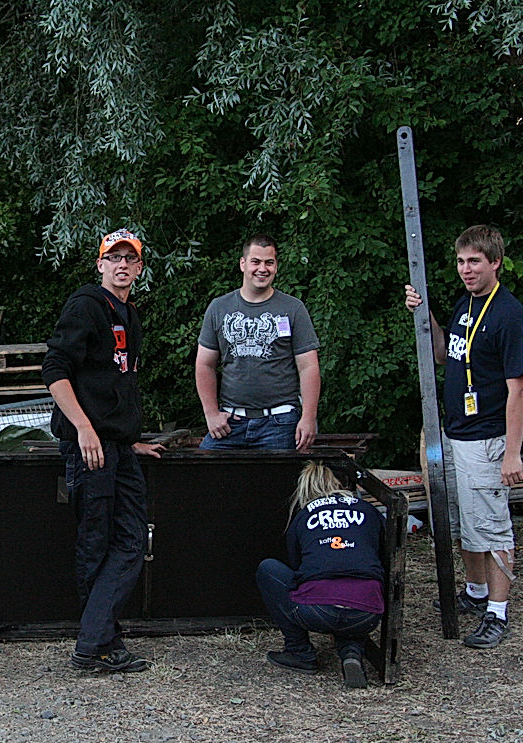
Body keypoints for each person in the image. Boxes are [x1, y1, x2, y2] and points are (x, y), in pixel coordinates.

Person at [41, 228, 165, 673]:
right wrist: (84, 429)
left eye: (130, 259)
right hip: (89, 446)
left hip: (118, 447)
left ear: (139, 268)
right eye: (113, 258)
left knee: (132, 538)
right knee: (97, 542)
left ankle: (99, 637)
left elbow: (116, 382)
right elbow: (55, 370)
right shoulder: (86, 305)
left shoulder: (128, 312)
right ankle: (97, 645)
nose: (122, 266)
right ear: (100, 265)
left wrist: (129, 437)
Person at [405, 224, 523, 649]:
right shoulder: (467, 305)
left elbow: (519, 387)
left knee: (492, 526)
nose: (466, 269)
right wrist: (425, 316)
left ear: (495, 262)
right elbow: (444, 354)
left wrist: (511, 454)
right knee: (463, 523)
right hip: (456, 434)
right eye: (461, 261)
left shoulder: (509, 315)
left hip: (488, 438)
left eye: (475, 261)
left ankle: (498, 611)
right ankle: (476, 591)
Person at [256, 461, 385, 689]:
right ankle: (351, 653)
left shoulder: (304, 515)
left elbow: (296, 566)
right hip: (367, 613)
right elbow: (384, 553)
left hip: (316, 610)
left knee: (268, 569)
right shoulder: (368, 510)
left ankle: (300, 652)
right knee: (352, 595)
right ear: (338, 483)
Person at [195, 234, 320, 452]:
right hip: (229, 424)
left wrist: (309, 417)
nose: (262, 269)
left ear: (276, 266)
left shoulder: (293, 308)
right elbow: (205, 364)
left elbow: (308, 366)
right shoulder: (219, 308)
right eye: (256, 261)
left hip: (280, 423)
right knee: (205, 479)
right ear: (243, 264)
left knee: (277, 486)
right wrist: (211, 414)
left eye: (269, 262)